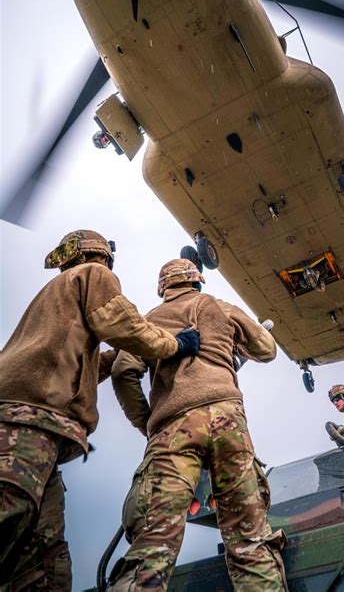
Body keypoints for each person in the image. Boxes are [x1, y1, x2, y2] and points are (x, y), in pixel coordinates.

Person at [0, 231, 200, 590]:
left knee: (44, 561)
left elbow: (83, 363)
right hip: (23, 423)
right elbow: (122, 323)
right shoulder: (92, 275)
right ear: (100, 256)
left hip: (37, 429)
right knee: (7, 513)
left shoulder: (57, 298)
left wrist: (125, 357)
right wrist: (174, 345)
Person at [109, 257, 288, 591]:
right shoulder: (221, 307)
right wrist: (233, 343)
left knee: (154, 540)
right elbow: (267, 349)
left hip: (174, 427)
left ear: (163, 287)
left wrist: (147, 422)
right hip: (229, 419)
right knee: (250, 538)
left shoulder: (151, 319)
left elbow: (122, 372)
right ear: (196, 281)